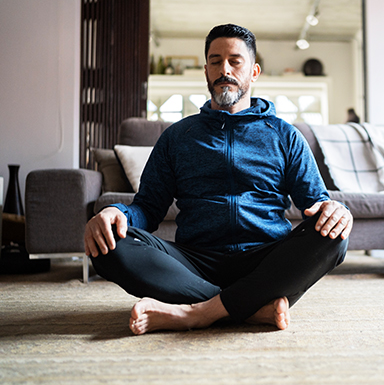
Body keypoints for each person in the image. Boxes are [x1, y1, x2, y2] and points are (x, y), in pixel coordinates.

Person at [84, 24, 353, 335]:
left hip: (265, 258)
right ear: (206, 70)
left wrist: (334, 210)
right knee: (106, 243)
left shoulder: (285, 136)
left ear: (254, 72)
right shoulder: (177, 137)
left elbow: (315, 203)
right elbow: (148, 208)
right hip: (195, 261)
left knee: (335, 234)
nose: (224, 69)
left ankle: (198, 312)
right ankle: (249, 309)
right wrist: (117, 213)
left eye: (235, 61)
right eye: (215, 61)